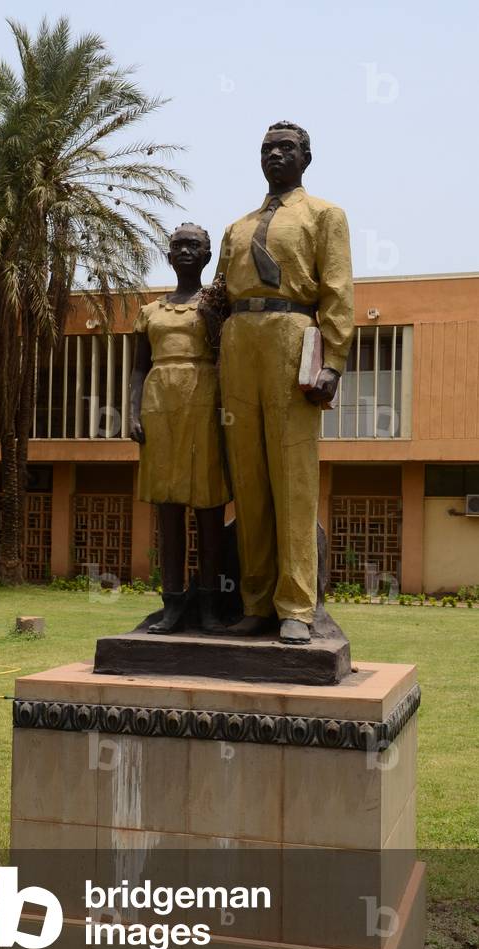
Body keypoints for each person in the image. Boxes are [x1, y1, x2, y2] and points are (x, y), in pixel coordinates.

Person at [217, 121, 354, 644]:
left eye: (286, 148)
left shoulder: (325, 215)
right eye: (267, 149)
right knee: (248, 480)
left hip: (292, 334)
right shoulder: (237, 225)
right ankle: (255, 601)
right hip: (238, 340)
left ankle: (296, 605)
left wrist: (333, 362)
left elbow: (337, 290)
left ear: (307, 157)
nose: (275, 155)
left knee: (294, 478)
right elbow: (217, 294)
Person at [129, 223, 231, 634]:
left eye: (194, 246)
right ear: (168, 256)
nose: (185, 251)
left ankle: (208, 605)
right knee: (168, 507)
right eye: (178, 246)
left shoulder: (218, 304)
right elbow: (138, 367)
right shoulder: (150, 311)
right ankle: (171, 603)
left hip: (206, 403)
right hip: (159, 406)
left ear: (208, 256)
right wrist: (132, 413)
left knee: (208, 506)